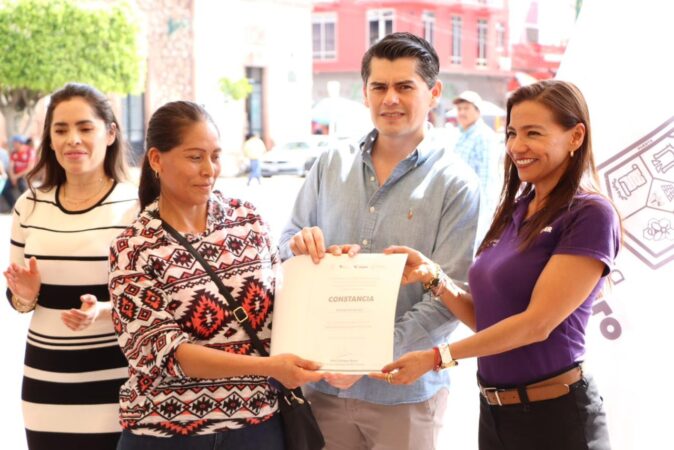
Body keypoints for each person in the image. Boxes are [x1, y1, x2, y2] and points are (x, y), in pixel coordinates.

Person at [375, 80, 619, 450]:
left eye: (533, 133)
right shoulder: (517, 208)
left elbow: (536, 324)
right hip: (495, 414)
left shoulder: (590, 214)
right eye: (512, 133)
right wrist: (434, 277)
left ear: (575, 136)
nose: (517, 146)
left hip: (556, 419)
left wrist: (438, 357)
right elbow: (487, 318)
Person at [278, 32, 480, 450]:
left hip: (404, 395)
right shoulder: (330, 163)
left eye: (405, 86)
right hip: (323, 390)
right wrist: (301, 246)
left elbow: (451, 293)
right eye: (379, 87)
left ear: (434, 92)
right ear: (365, 93)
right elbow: (285, 243)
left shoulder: (456, 182)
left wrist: (368, 355)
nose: (391, 98)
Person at [108, 100, 323, 449]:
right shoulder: (133, 246)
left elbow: (282, 311)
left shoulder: (248, 220)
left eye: (216, 155)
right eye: (195, 157)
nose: (209, 169)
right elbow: (168, 355)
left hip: (258, 428)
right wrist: (269, 368)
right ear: (156, 160)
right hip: (166, 434)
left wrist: (320, 266)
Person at [3, 83, 139, 450]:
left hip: (119, 376)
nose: (72, 140)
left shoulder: (139, 205)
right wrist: (25, 296)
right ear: (49, 137)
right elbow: (17, 301)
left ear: (110, 133)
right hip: (46, 378)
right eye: (60, 130)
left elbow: (154, 300)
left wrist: (107, 310)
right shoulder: (29, 206)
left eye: (85, 128)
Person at [452, 90, 499, 241]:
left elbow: (487, 178)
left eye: (466, 108)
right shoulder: (459, 134)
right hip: (457, 202)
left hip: (474, 207)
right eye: (459, 109)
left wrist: (481, 211)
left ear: (478, 111)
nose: (462, 112)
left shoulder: (484, 136)